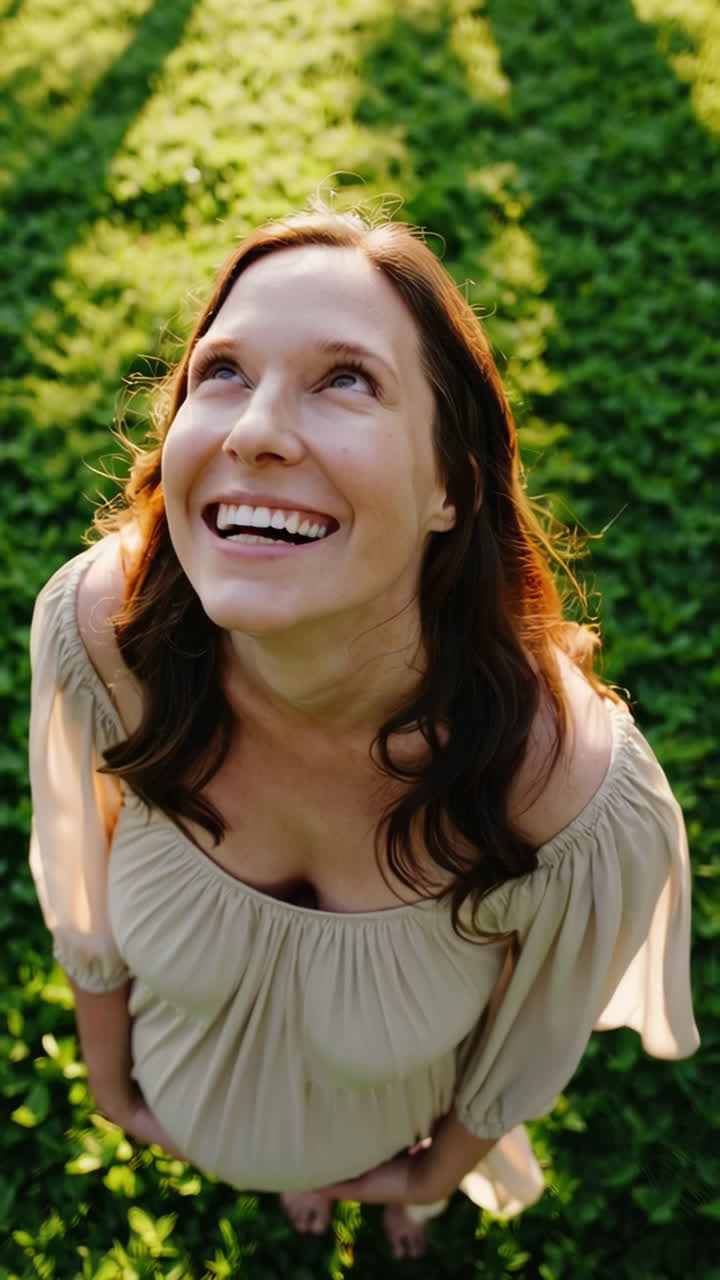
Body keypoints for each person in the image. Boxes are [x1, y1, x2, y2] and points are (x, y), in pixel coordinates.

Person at [27, 202, 700, 1262]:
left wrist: (427, 1172)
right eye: (224, 372)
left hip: (394, 1140)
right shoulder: (103, 635)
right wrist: (113, 1086)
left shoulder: (560, 788)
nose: (253, 430)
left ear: (451, 486)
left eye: (347, 378)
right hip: (185, 1111)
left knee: (397, 1200)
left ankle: (389, 1209)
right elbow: (79, 880)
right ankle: (313, 1185)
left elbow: (529, 1035)